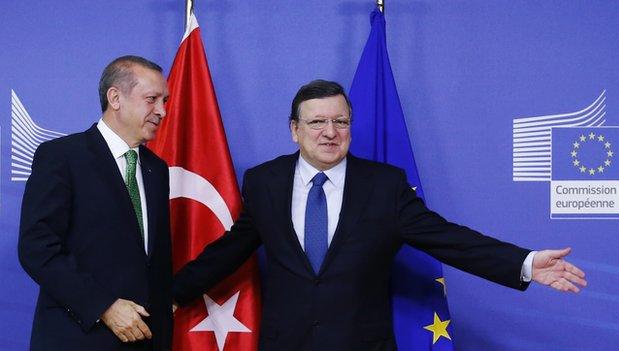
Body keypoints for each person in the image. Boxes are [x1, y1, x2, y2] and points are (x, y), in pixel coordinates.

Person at [172, 80, 587, 351]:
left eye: (340, 121)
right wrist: (173, 294)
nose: (330, 132)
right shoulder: (264, 181)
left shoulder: (385, 185)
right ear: (294, 130)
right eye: (317, 122)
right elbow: (232, 248)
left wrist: (527, 263)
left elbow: (447, 238)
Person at [18, 55, 173, 351]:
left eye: (164, 101)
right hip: (79, 338)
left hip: (146, 341)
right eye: (152, 99)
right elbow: (36, 247)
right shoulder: (62, 157)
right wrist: (105, 307)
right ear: (115, 98)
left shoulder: (157, 169)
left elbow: (155, 263)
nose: (162, 111)